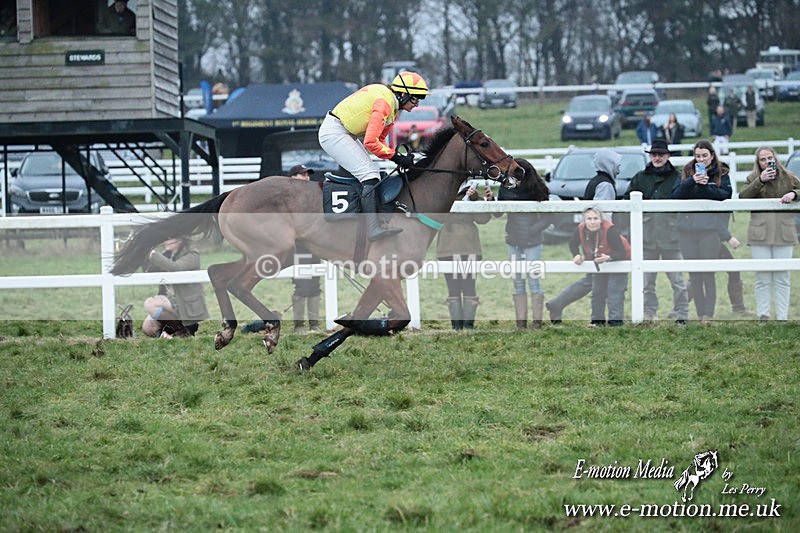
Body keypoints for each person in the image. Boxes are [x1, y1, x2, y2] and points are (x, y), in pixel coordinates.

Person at [318, 71, 429, 241]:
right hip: (335, 132)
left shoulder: (393, 108)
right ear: (403, 94)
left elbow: (380, 140)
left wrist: (396, 156)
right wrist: (396, 158)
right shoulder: (384, 103)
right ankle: (372, 229)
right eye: (415, 98)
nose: (417, 104)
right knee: (369, 174)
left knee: (373, 173)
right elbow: (370, 143)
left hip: (345, 132)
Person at [243, 164, 323, 334]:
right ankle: (300, 325)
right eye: (302, 174)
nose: (307, 177)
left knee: (315, 284)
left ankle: (314, 325)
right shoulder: (285, 198)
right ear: (293, 177)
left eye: (307, 174)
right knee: (302, 285)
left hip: (314, 244)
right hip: (298, 246)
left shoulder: (312, 196)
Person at [547, 148, 621, 323]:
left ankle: (558, 303)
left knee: (593, 278)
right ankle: (564, 306)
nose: (619, 168)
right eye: (617, 164)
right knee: (595, 279)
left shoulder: (596, 181)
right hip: (601, 237)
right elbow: (604, 214)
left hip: (593, 235)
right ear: (609, 164)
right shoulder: (605, 185)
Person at [623, 139, 689, 324]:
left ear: (667, 156)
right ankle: (649, 313)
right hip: (646, 235)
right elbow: (627, 202)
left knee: (677, 280)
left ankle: (681, 313)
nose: (657, 158)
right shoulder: (640, 177)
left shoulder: (677, 177)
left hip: (671, 235)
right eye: (654, 154)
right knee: (646, 281)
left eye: (661, 154)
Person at [672, 140, 732, 324]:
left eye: (704, 155)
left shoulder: (721, 173)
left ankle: (709, 314)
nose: (701, 159)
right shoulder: (686, 172)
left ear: (712, 155)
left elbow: (725, 195)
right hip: (687, 230)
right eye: (698, 156)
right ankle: (699, 314)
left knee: (708, 273)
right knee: (695, 275)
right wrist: (692, 181)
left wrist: (706, 186)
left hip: (710, 230)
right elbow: (674, 196)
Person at [739, 147, 800, 321]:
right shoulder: (752, 178)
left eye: (769, 158)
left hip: (784, 231)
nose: (766, 162)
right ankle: (763, 315)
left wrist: (794, 194)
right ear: (758, 162)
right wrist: (760, 180)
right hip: (760, 232)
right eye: (762, 160)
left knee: (782, 276)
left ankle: (782, 316)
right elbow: (743, 197)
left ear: (775, 158)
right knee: (762, 276)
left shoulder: (789, 177)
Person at [495, 158, 551, 329]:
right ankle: (521, 322)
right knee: (517, 280)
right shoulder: (506, 188)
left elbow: (549, 214)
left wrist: (532, 230)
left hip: (532, 240)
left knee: (533, 280)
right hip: (513, 239)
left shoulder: (536, 189)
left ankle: (537, 321)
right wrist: (490, 201)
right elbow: (498, 213)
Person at [436, 182, 493, 330]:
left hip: (469, 248)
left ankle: (468, 325)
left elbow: (483, 219)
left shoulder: (474, 195)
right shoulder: (443, 192)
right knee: (453, 288)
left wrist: (476, 200)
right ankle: (456, 325)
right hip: (447, 247)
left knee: (469, 286)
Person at [569, 207, 629, 326]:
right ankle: (597, 322)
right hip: (599, 262)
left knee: (614, 291)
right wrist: (576, 255)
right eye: (589, 219)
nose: (592, 222)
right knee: (597, 292)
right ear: (584, 220)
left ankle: (615, 323)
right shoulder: (580, 228)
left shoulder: (610, 230)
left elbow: (621, 251)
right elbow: (573, 244)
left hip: (619, 260)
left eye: (595, 218)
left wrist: (608, 257)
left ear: (601, 219)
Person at [142, 237, 209, 338]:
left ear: (181, 239)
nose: (166, 241)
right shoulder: (166, 254)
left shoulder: (192, 254)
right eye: (166, 238)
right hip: (170, 302)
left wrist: (154, 254)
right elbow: (150, 271)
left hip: (186, 305)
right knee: (147, 327)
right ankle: (166, 336)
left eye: (170, 238)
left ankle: (184, 331)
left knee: (150, 304)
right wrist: (144, 254)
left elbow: (175, 267)